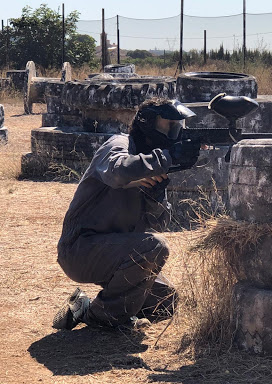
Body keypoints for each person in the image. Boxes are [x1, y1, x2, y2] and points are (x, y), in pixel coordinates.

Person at [53, 98, 200, 331]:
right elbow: (118, 172)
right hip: (79, 250)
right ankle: (101, 318)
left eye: (178, 126)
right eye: (169, 125)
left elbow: (158, 225)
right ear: (148, 123)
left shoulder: (151, 162)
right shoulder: (118, 145)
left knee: (165, 302)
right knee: (155, 246)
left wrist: (155, 197)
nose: (175, 132)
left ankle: (85, 307)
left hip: (115, 252)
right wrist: (166, 157)